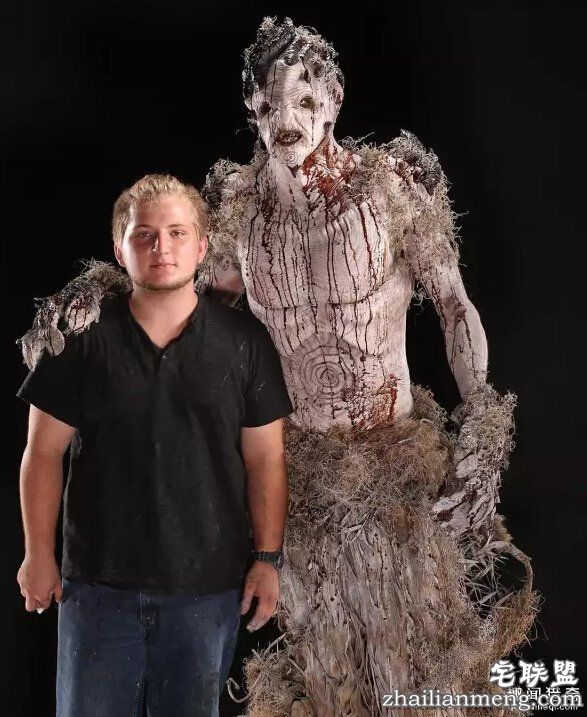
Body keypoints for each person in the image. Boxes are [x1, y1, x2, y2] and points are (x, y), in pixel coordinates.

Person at [16, 173, 294, 717]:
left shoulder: (245, 342)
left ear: (202, 246)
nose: (161, 248)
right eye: (144, 234)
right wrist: (37, 553)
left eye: (177, 233)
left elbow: (266, 458)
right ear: (120, 250)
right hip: (97, 589)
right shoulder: (80, 339)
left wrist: (267, 558)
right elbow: (43, 452)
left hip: (207, 590)